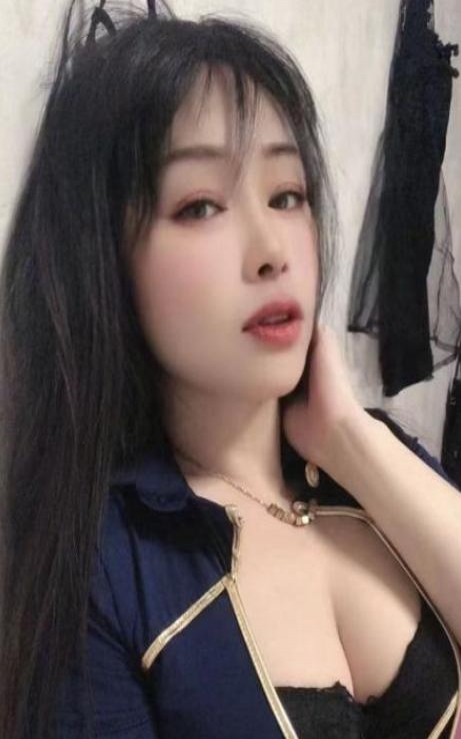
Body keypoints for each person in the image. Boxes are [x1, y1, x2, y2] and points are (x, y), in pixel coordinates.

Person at [0, 1, 460, 738]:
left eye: (287, 195)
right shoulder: (101, 569)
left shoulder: (370, 459)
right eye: (200, 206)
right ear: (103, 260)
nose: (272, 250)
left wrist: (348, 436)